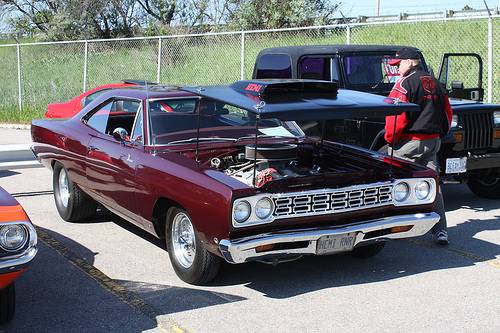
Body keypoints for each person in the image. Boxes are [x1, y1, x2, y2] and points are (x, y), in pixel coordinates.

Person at [384, 47, 452, 245]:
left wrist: (390, 139)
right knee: (433, 185)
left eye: (399, 65)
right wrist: (440, 135)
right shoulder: (436, 83)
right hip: (433, 142)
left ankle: (393, 227)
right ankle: (441, 231)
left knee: (391, 179)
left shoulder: (404, 84)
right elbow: (447, 113)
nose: (397, 69)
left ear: (410, 62)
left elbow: (396, 116)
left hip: (409, 143)